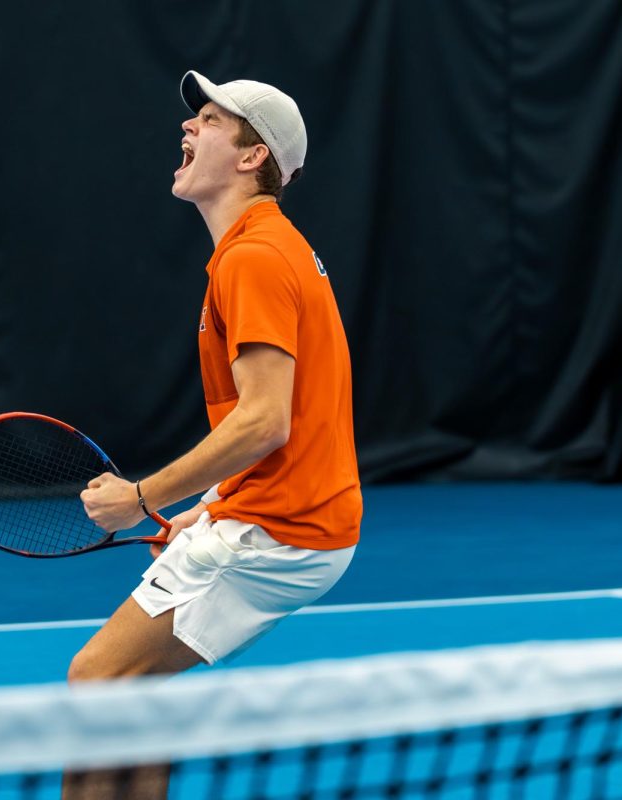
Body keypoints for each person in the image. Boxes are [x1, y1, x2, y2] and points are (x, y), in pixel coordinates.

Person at [67, 70, 362, 796]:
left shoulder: (255, 257)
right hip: (277, 513)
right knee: (134, 696)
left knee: (95, 682)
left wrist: (142, 498)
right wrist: (210, 506)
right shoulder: (265, 247)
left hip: (287, 528)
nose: (188, 129)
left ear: (251, 156)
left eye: (208, 121)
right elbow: (275, 421)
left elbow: (266, 421)